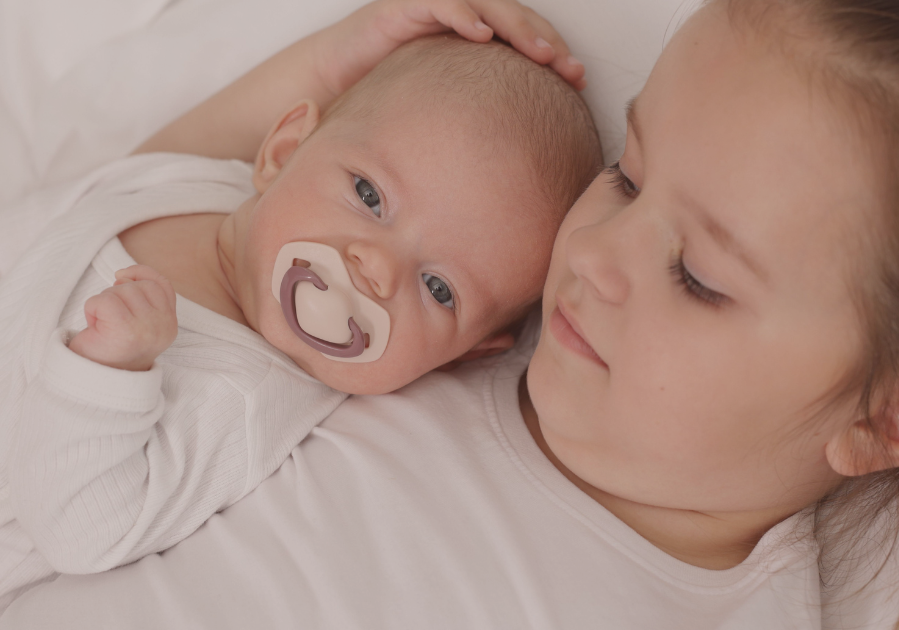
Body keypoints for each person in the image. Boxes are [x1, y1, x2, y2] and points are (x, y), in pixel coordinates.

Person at [4, 0, 899, 628]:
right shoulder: (455, 332)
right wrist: (337, 62)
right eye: (625, 174)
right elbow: (186, 210)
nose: (595, 254)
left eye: (701, 278)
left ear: (894, 421)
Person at [0, 0, 601, 609]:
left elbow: (82, 533)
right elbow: (152, 156)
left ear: (465, 355)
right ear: (283, 152)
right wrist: (343, 46)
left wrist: (108, 375)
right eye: (368, 195)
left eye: (439, 288)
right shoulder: (192, 185)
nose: (378, 268)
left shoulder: (243, 402)